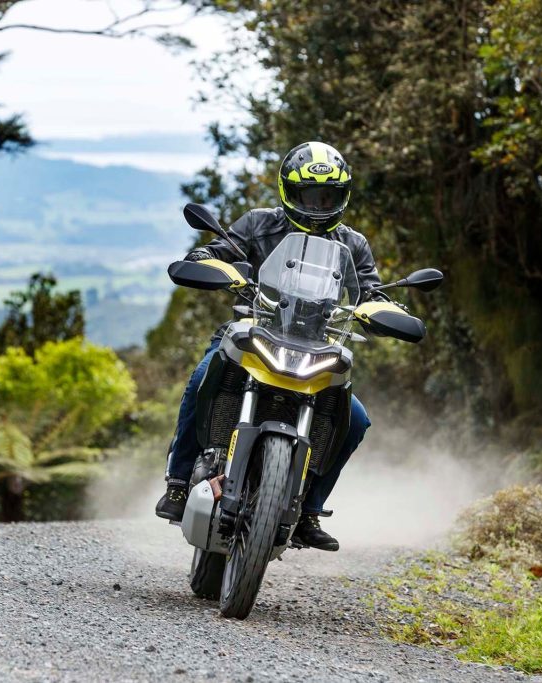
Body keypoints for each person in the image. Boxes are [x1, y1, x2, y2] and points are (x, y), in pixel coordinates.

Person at [154, 141, 381, 552]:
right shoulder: (259, 224)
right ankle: (177, 481)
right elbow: (219, 250)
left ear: (342, 196)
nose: (317, 204)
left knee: (357, 419)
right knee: (202, 376)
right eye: (309, 195)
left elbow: (370, 289)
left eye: (327, 196)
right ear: (288, 191)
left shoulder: (353, 244)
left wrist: (381, 308)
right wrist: (209, 259)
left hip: (317, 346)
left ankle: (310, 509)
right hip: (252, 333)